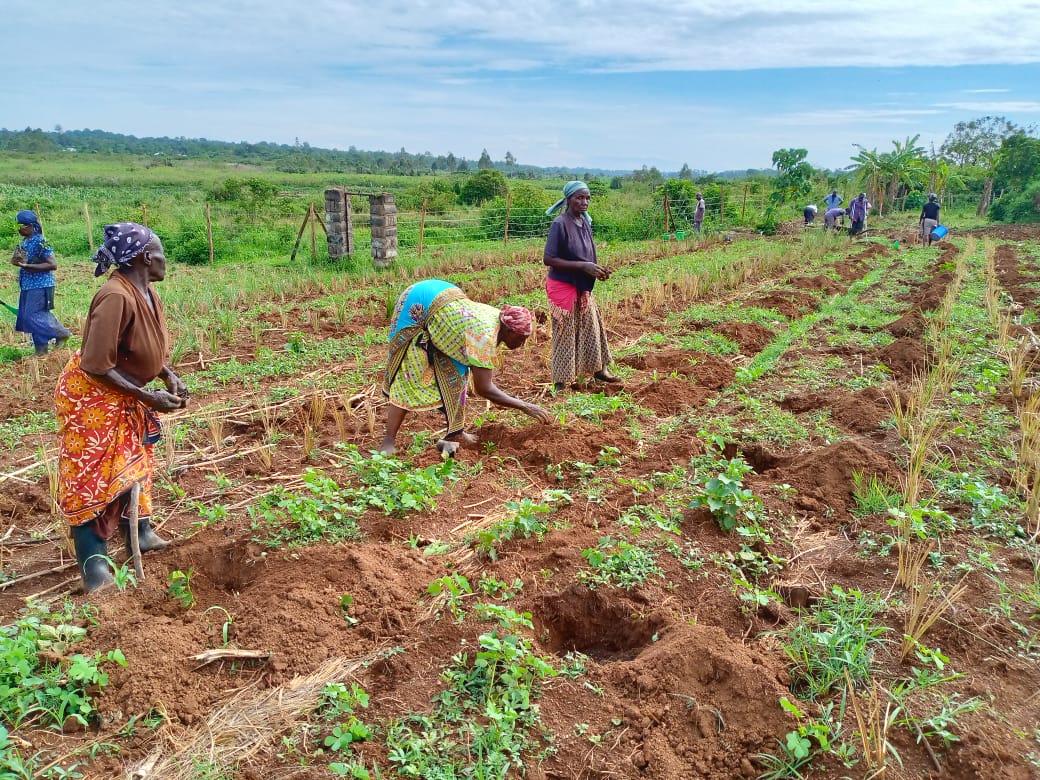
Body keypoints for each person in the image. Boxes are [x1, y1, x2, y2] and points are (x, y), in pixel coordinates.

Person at [56, 223, 188, 593]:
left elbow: (138, 346)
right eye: (161, 253)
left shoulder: (145, 292)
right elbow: (96, 364)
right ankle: (94, 567)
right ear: (146, 258)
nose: (165, 261)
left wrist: (166, 374)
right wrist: (146, 396)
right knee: (92, 477)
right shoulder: (115, 295)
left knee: (136, 463)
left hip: (123, 393)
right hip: (93, 399)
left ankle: (139, 534)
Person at [380, 279, 550, 456]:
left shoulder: (498, 321)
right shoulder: (484, 335)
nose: (522, 344)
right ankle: (388, 440)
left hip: (441, 297)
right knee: (409, 377)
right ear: (508, 331)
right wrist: (523, 405)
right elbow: (484, 388)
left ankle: (455, 433)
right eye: (521, 338)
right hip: (416, 306)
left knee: (457, 374)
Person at [543, 181, 618, 392]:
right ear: (568, 200)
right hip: (562, 286)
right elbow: (548, 258)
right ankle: (560, 383)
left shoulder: (584, 222)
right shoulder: (560, 223)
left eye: (587, 198)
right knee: (565, 333)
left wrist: (596, 270)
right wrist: (583, 266)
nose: (584, 202)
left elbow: (586, 255)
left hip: (582, 283)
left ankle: (598, 370)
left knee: (592, 327)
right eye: (579, 198)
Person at [10, 210, 72, 356]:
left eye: (21, 226)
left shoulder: (40, 241)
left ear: (30, 226)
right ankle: (41, 350)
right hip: (28, 284)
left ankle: (61, 333)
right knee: (33, 317)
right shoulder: (25, 241)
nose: (18, 229)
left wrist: (26, 266)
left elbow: (52, 264)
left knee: (32, 316)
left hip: (41, 285)